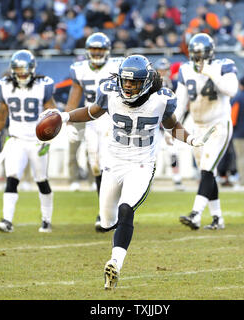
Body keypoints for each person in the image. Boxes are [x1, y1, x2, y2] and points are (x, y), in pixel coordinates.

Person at [50, 54, 207, 289]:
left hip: (141, 164)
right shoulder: (111, 94)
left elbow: (173, 126)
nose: (128, 86)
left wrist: (192, 139)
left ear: (145, 83)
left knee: (126, 209)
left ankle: (115, 263)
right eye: (125, 81)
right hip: (113, 163)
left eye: (133, 82)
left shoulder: (160, 100)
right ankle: (115, 235)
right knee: (106, 221)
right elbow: (91, 112)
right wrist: (64, 116)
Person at [0, 50, 57, 233]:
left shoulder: (43, 86)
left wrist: (49, 139)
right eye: (18, 69)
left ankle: (46, 221)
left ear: (33, 69)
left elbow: (53, 114)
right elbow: (1, 115)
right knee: (12, 178)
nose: (21, 73)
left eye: (25, 69)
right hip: (16, 140)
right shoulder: (6, 86)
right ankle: (7, 221)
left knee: (41, 180)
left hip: (37, 140)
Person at [176, 33, 239, 230]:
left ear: (210, 53)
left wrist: (211, 73)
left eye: (201, 54)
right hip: (196, 126)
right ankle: (217, 218)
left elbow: (231, 90)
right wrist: (173, 129)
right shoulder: (185, 70)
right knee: (207, 172)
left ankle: (195, 214)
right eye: (195, 54)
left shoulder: (223, 65)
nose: (198, 58)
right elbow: (180, 102)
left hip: (218, 124)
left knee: (207, 169)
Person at [65, 32, 123, 231]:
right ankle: (105, 210)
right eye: (93, 49)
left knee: (107, 165)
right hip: (91, 119)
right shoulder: (80, 69)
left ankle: (107, 214)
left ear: (107, 51)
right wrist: (68, 122)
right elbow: (74, 97)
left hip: (111, 119)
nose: (97, 53)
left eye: (100, 49)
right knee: (95, 165)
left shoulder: (117, 67)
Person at [154, 57, 184, 191]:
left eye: (165, 70)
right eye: (160, 70)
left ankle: (177, 179)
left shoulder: (175, 84)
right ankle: (148, 180)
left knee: (173, 151)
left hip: (169, 123)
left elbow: (181, 103)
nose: (163, 73)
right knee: (152, 152)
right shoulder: (151, 86)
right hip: (154, 124)